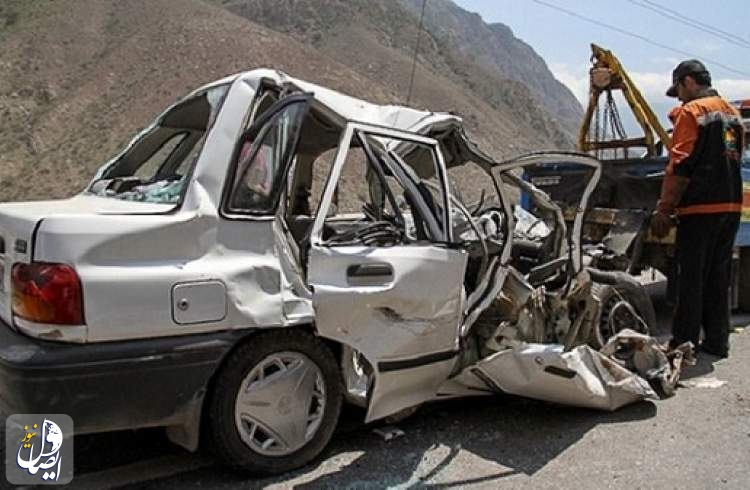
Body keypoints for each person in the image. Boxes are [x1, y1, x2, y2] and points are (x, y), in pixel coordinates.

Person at [651, 60, 745, 358]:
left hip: (700, 207)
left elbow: (679, 164)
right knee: (718, 277)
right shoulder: (733, 114)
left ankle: (683, 343)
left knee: (690, 277)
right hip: (730, 206)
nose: (678, 96)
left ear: (689, 82)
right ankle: (718, 342)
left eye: (678, 89)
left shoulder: (692, 112)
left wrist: (664, 209)